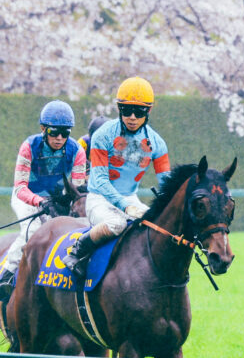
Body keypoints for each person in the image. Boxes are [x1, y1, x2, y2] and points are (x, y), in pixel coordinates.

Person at [62, 77, 171, 278]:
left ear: (148, 111)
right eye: (125, 110)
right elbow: (101, 181)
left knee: (159, 227)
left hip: (131, 198)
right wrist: (125, 207)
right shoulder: (103, 135)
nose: (131, 117)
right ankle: (77, 250)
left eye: (138, 112)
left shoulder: (157, 143)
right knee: (117, 224)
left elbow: (167, 183)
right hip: (98, 199)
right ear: (118, 109)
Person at [0, 100, 87, 303]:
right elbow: (20, 187)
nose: (60, 138)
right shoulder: (29, 147)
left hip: (56, 199)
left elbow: (77, 189)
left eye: (65, 133)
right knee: (33, 231)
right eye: (54, 132)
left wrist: (65, 202)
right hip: (26, 197)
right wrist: (40, 202)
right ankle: (7, 274)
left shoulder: (77, 151)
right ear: (43, 129)